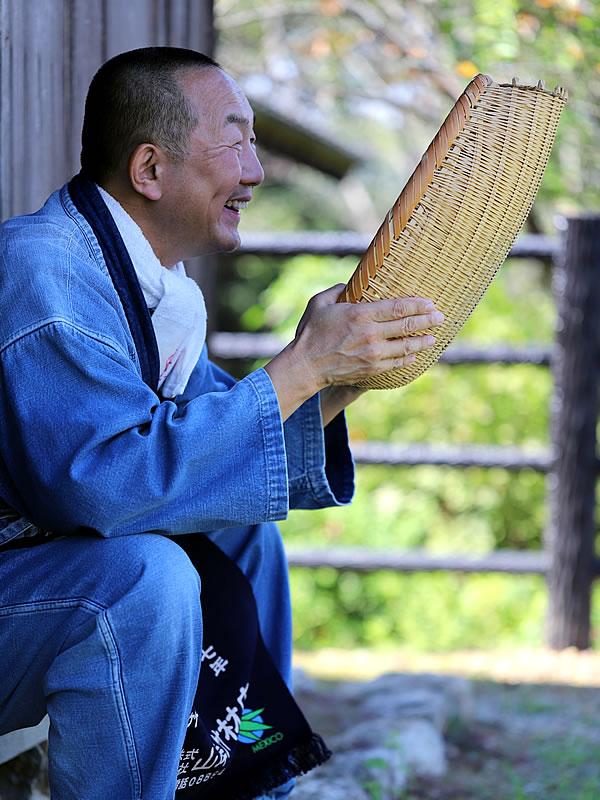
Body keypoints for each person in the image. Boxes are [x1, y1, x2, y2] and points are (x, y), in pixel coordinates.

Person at [0, 47, 443, 800]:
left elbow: (211, 444)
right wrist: (302, 366)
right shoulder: (44, 271)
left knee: (245, 532)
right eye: (235, 139)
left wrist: (337, 378)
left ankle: (251, 783)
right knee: (145, 580)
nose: (256, 170)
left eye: (255, 141)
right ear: (150, 170)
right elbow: (100, 486)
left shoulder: (153, 287)